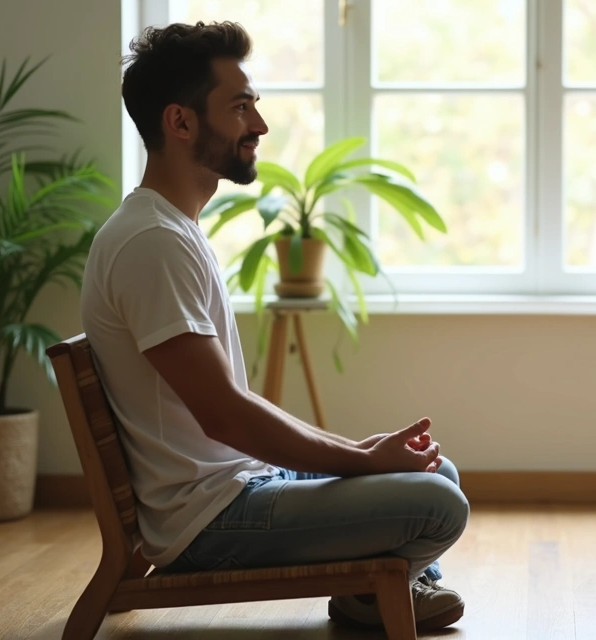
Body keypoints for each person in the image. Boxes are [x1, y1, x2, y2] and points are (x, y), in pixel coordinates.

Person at [80, 21, 469, 632]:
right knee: (439, 502)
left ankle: (372, 587)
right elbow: (226, 415)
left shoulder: (172, 228)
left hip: (237, 485)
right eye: (240, 109)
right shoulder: (152, 242)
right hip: (209, 522)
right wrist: (358, 462)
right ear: (180, 123)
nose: (258, 126)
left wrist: (361, 453)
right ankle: (376, 585)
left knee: (431, 470)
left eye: (253, 106)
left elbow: (229, 411)